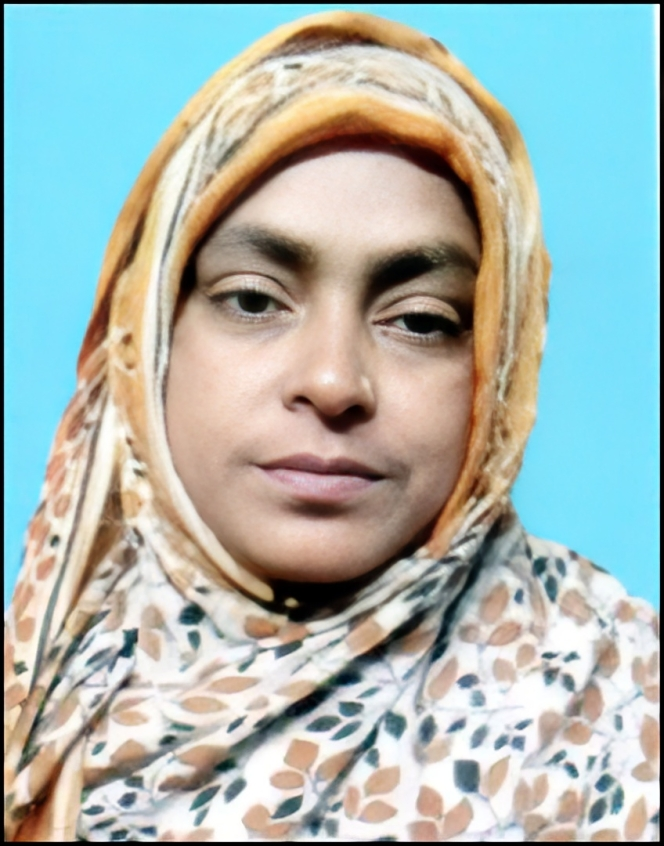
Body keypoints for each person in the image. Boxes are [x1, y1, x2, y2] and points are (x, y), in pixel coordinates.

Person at [4, 11, 659, 842]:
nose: (333, 382)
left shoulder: (618, 709)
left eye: (420, 320)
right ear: (151, 339)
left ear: (498, 367)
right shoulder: (38, 703)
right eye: (253, 300)